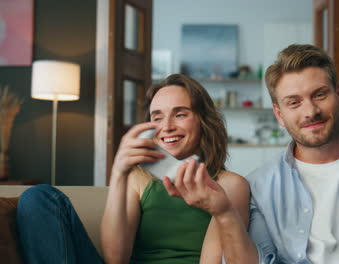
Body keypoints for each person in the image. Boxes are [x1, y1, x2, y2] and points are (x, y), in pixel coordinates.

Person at [166, 44, 339, 264]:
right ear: (279, 114)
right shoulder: (260, 186)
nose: (310, 111)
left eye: (319, 94)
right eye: (294, 102)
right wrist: (223, 211)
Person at [16, 74, 250, 264]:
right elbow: (115, 258)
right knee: (38, 197)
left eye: (180, 114)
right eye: (157, 118)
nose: (166, 127)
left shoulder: (230, 185)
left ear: (203, 121)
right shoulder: (139, 178)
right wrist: (119, 173)